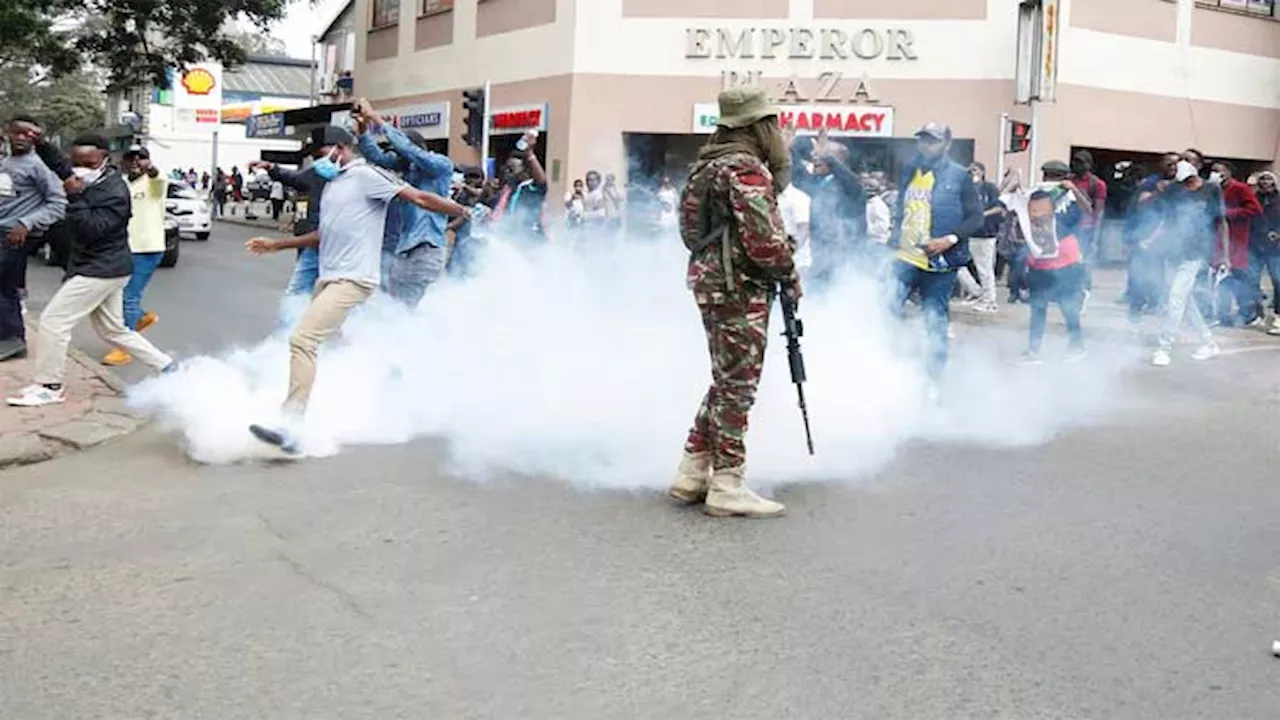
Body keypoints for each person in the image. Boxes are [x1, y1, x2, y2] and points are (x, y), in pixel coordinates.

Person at [242, 126, 465, 456]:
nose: (317, 159)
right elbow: (324, 233)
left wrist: (458, 210)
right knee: (334, 344)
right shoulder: (334, 185)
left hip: (354, 279)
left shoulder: (366, 175)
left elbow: (417, 196)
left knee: (303, 340)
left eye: (322, 152)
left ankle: (290, 426)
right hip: (329, 278)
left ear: (341, 149)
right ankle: (366, 397)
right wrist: (277, 244)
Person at [667, 86, 799, 519]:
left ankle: (693, 470)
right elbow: (765, 244)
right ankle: (727, 481)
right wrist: (788, 271)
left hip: (712, 283)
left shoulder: (706, 167)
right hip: (739, 287)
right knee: (738, 386)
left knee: (726, 379)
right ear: (759, 127)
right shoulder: (746, 170)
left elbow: (690, 230)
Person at [7, 134, 176, 407]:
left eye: (87, 162)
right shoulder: (87, 177)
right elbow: (60, 166)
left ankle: (49, 385)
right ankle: (168, 367)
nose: (78, 168)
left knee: (53, 321)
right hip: (104, 266)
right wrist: (40, 142)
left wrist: (74, 197)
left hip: (101, 269)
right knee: (114, 331)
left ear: (104, 160)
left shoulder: (114, 192)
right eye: (76, 162)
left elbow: (90, 230)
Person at [885, 122, 983, 400]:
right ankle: (890, 369)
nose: (927, 145)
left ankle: (932, 381)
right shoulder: (909, 171)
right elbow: (903, 209)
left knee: (935, 322)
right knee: (886, 309)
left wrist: (949, 239)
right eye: (923, 140)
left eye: (933, 140)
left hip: (940, 264)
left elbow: (976, 218)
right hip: (905, 257)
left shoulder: (960, 176)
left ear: (946, 144)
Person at [354, 98, 458, 309]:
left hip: (425, 249)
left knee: (406, 310)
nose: (396, 158)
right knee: (395, 308)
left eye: (399, 152)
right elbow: (377, 157)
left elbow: (409, 151)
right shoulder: (407, 167)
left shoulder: (439, 165)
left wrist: (377, 119)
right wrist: (363, 130)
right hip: (402, 250)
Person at [0, 114, 68, 361]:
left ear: (35, 138)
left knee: (6, 289)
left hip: (14, 235)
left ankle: (13, 340)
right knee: (6, 288)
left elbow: (58, 203)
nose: (21, 138)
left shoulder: (38, 166)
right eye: (16, 132)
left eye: (27, 134)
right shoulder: (7, 162)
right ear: (7, 133)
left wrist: (25, 223)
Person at [1150, 160, 1224, 367]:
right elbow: (1165, 219)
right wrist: (1151, 239)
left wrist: (1223, 254)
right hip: (1174, 252)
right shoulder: (1173, 189)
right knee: (1184, 300)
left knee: (1176, 298)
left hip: (1196, 253)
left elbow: (1221, 222)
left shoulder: (1211, 189)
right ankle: (1208, 342)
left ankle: (1164, 348)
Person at [101, 146, 167, 366]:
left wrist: (152, 169)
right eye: (131, 158)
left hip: (146, 248)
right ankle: (139, 317)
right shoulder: (123, 184)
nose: (136, 162)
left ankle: (123, 348)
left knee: (129, 296)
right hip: (124, 247)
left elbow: (157, 178)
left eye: (141, 159)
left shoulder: (154, 182)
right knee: (116, 295)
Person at [790, 127, 867, 286]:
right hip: (820, 261)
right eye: (816, 155)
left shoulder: (851, 188)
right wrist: (788, 149)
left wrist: (829, 159)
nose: (816, 158)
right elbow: (798, 175)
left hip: (845, 264)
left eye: (823, 155)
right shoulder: (818, 184)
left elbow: (853, 182)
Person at [1019, 190, 1088, 363]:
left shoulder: (1064, 216)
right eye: (1033, 208)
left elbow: (1087, 210)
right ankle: (1034, 350)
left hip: (1066, 268)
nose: (1036, 212)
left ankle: (1077, 346)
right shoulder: (1027, 220)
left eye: (1041, 207)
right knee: (1038, 309)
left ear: (1051, 206)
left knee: (1068, 308)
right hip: (1039, 269)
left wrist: (1073, 189)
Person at [1208, 161, 1263, 326]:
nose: (1216, 174)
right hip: (1217, 240)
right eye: (1213, 171)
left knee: (1239, 278)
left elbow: (1255, 209)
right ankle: (1222, 315)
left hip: (1237, 240)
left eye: (1220, 171)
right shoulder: (1212, 189)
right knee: (1221, 278)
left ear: (1229, 172)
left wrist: (1230, 213)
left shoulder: (1240, 188)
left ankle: (1248, 313)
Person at [957, 161, 1003, 313]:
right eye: (969, 171)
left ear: (982, 172)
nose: (971, 173)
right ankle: (976, 291)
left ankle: (989, 300)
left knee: (984, 268)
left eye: (975, 170)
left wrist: (982, 214)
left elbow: (999, 207)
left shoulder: (989, 188)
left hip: (985, 233)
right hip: (969, 233)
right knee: (957, 263)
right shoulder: (967, 189)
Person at [491, 131, 549, 241]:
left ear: (525, 170)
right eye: (506, 168)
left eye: (511, 169)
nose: (506, 172)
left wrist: (530, 153)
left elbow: (542, 182)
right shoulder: (508, 191)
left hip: (532, 242)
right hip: (512, 241)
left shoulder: (531, 188)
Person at [1068, 150, 1108, 303]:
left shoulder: (1097, 184)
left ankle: (1083, 289)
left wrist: (1094, 232)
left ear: (1089, 165)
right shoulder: (1069, 179)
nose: (1076, 165)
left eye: (1080, 162)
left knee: (1083, 260)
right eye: (1075, 161)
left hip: (1085, 228)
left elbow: (1097, 211)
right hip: (1069, 227)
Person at [1248, 171, 1280, 334]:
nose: (1266, 182)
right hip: (1255, 245)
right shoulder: (1253, 198)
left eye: (1269, 179)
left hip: (1276, 248)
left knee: (1278, 281)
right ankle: (1257, 313)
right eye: (1263, 179)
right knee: (1252, 280)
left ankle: (1277, 316)